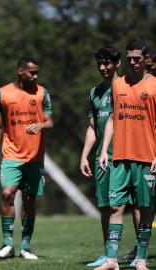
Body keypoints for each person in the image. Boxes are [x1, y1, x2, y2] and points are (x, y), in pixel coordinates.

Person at [96, 39, 156, 270]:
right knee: (115, 207)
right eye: (129, 58)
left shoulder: (154, 85)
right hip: (120, 156)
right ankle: (112, 260)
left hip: (146, 157)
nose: (132, 62)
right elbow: (112, 118)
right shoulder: (118, 84)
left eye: (137, 59)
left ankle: (141, 258)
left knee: (144, 207)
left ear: (146, 59)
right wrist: (103, 151)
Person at [80, 45, 140, 267]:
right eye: (100, 64)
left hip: (127, 153)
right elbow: (92, 127)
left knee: (134, 204)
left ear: (118, 64)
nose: (103, 67)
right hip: (102, 158)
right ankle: (109, 254)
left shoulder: (127, 87)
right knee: (106, 206)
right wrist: (85, 155)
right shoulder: (94, 92)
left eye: (108, 63)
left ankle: (138, 251)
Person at [0, 57, 53, 260]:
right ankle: (7, 244)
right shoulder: (2, 94)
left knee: (29, 199)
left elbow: (50, 121)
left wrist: (41, 125)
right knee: (8, 193)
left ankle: (26, 245)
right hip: (11, 154)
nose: (35, 76)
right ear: (19, 71)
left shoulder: (42, 93)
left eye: (37, 73)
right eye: (31, 72)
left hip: (35, 157)